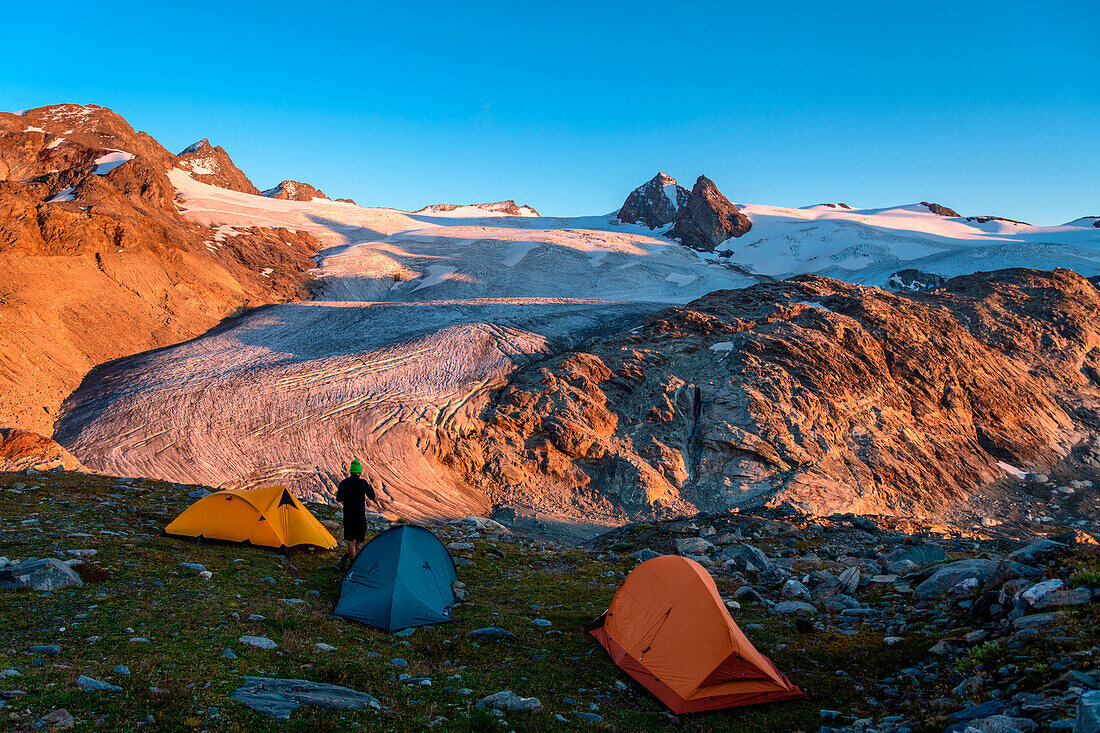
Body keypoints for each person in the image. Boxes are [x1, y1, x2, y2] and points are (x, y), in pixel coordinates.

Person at [335, 458, 376, 570]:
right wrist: (369, 486)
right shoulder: (363, 483)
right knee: (360, 539)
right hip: (359, 516)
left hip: (348, 515)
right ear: (359, 472)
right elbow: (372, 496)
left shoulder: (343, 483)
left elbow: (339, 499)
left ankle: (345, 560)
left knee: (351, 540)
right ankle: (352, 567)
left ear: (351, 471)